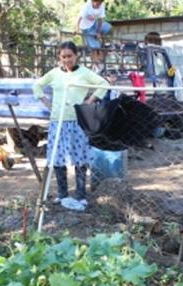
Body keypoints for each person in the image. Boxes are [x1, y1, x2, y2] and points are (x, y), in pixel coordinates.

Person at [33, 41, 107, 210]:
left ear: (76, 56)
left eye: (70, 56)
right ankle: (62, 194)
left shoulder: (84, 73)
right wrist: (46, 101)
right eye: (63, 56)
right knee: (58, 159)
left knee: (79, 158)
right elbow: (37, 85)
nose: (67, 60)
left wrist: (88, 101)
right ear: (60, 57)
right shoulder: (54, 74)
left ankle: (81, 195)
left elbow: (103, 84)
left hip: (77, 121)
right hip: (57, 121)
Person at [76, 0, 111, 71]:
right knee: (94, 46)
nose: (98, 5)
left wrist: (98, 32)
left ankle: (97, 37)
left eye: (99, 4)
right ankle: (95, 64)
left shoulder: (102, 6)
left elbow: (101, 20)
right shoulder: (87, 6)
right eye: (97, 3)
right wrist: (77, 29)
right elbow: (79, 18)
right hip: (86, 27)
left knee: (107, 27)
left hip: (94, 25)